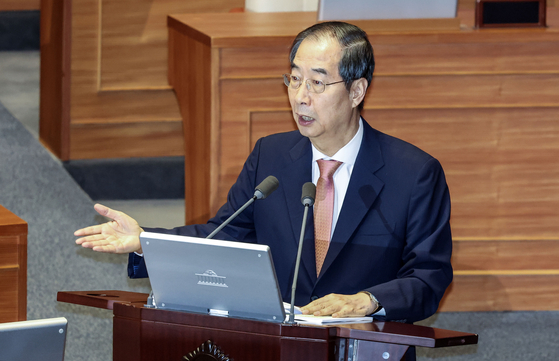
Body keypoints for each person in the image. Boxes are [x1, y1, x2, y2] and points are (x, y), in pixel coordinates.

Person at [75, 22, 452, 326]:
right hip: (277, 346)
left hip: (362, 348)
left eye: (317, 83)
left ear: (357, 91)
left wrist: (367, 301)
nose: (301, 96)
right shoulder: (270, 156)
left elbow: (429, 277)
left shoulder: (414, 174)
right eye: (294, 79)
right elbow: (222, 236)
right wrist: (144, 240)